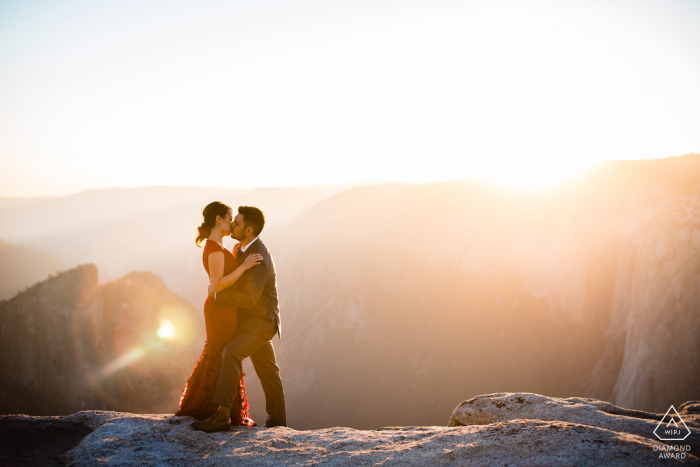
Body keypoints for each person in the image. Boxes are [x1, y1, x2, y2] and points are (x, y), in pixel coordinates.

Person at [191, 205, 287, 432]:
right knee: (269, 374)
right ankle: (279, 425)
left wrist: (218, 295)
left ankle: (222, 415)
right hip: (251, 322)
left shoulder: (259, 256)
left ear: (249, 230)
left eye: (237, 223)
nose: (232, 224)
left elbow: (250, 299)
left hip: (261, 322)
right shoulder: (241, 248)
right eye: (232, 221)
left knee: (231, 353)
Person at [176, 201, 262, 429]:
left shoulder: (219, 247)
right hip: (220, 310)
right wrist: (244, 268)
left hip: (225, 308)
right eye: (229, 218)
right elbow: (217, 284)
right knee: (222, 354)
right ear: (218, 220)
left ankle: (217, 408)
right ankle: (215, 410)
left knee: (222, 354)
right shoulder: (214, 249)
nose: (232, 223)